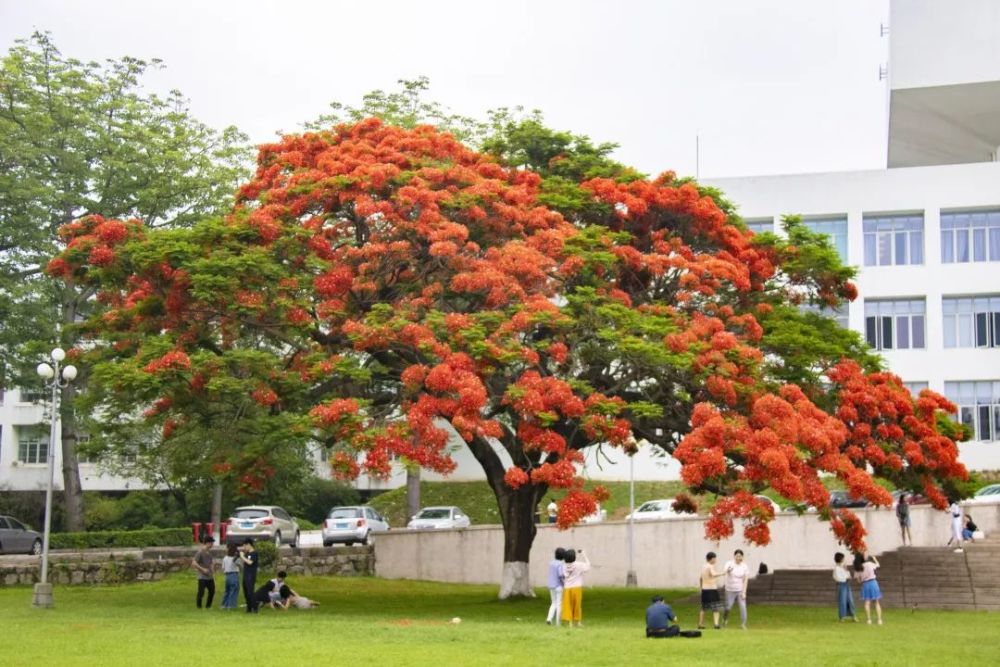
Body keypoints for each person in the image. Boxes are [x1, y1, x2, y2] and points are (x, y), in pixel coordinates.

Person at [561, 548, 590, 628]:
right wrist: (584, 555)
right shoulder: (579, 565)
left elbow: (564, 576)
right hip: (577, 588)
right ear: (574, 557)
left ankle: (569, 623)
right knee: (577, 605)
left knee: (567, 605)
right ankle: (577, 622)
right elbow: (588, 566)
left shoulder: (564, 566)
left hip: (567, 588)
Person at [698, 552, 727, 630]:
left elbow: (700, 578)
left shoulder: (703, 566)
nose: (715, 559)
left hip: (704, 590)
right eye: (715, 558)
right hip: (712, 590)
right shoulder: (710, 566)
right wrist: (723, 573)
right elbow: (713, 574)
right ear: (712, 559)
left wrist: (701, 588)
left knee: (703, 608)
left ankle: (700, 624)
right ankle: (716, 624)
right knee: (716, 608)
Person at [722, 549, 750, 629]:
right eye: (737, 556)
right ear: (734, 556)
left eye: (740, 556)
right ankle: (724, 620)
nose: (738, 558)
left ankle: (743, 624)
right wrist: (728, 570)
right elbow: (724, 572)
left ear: (742, 557)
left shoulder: (744, 566)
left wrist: (744, 592)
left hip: (740, 590)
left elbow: (745, 580)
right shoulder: (729, 563)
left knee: (743, 606)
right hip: (729, 590)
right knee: (728, 607)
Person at [855, 553, 883, 625]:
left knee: (867, 603)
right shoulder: (870, 564)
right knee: (876, 602)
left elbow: (858, 580)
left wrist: (863, 579)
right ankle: (879, 620)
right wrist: (874, 558)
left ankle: (869, 620)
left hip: (865, 584)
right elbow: (878, 565)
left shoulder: (858, 568)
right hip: (873, 583)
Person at [192, 535, 216, 609]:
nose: (212, 545)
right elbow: (194, 563)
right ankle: (199, 607)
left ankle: (208, 606)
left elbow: (211, 563)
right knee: (201, 592)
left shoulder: (209, 553)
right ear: (207, 543)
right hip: (202, 577)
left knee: (212, 591)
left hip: (210, 576)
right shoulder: (200, 552)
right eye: (212, 543)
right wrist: (202, 569)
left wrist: (212, 569)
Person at [832, 552, 857, 622]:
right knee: (842, 601)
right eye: (843, 558)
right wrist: (845, 578)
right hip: (841, 585)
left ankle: (853, 615)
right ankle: (842, 617)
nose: (844, 559)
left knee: (850, 600)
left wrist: (847, 573)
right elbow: (837, 578)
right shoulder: (836, 568)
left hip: (847, 585)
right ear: (840, 559)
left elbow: (848, 575)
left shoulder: (844, 567)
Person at [545, 547, 566, 626]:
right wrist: (564, 582)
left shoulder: (551, 563)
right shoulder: (560, 564)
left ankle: (549, 618)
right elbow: (561, 575)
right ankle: (558, 622)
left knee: (553, 603)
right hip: (559, 586)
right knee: (559, 604)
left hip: (551, 586)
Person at [239, 539, 259, 613]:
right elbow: (245, 562)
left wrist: (242, 557)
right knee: (246, 592)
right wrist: (243, 556)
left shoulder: (254, 553)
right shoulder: (247, 554)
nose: (244, 547)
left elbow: (250, 562)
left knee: (250, 592)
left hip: (251, 575)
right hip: (245, 574)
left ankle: (255, 607)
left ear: (249, 544)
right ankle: (249, 608)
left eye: (245, 545)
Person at [220, 542, 241, 610]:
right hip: (234, 575)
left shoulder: (225, 558)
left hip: (227, 576)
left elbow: (223, 568)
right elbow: (240, 565)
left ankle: (224, 605)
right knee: (234, 590)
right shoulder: (235, 558)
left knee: (227, 591)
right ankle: (231, 605)